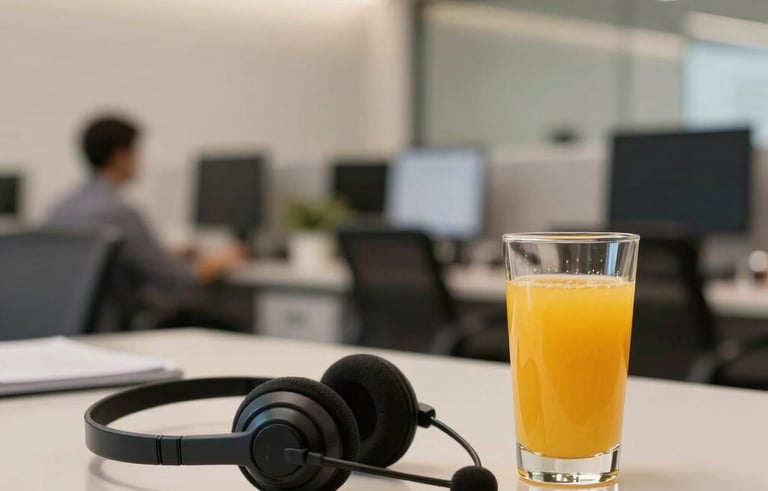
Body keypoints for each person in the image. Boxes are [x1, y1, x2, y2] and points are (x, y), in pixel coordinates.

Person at [48, 115, 244, 329]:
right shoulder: (120, 212)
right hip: (128, 327)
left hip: (75, 326)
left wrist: (170, 254)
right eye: (136, 153)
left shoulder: (61, 207)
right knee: (235, 325)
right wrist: (219, 261)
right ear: (121, 156)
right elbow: (179, 279)